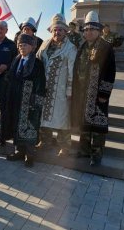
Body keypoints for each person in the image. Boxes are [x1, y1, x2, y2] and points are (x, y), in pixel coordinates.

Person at [71, 11, 116, 166]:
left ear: (98, 30)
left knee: (97, 124)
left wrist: (105, 92)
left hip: (97, 93)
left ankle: (96, 155)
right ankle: (83, 150)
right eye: (86, 30)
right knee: (84, 122)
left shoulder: (106, 47)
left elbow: (110, 72)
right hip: (82, 92)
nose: (88, 32)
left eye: (92, 30)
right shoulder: (83, 46)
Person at [2, 34, 46, 167]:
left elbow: (40, 83)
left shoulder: (37, 63)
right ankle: (19, 151)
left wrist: (36, 103)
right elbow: (11, 76)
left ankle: (29, 155)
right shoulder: (16, 59)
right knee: (16, 125)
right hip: (15, 99)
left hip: (29, 101)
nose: (22, 48)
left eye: (25, 45)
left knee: (29, 126)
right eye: (20, 45)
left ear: (32, 47)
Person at [36, 14, 77, 156]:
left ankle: (64, 147)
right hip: (44, 89)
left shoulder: (70, 48)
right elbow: (37, 61)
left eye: (60, 30)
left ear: (65, 31)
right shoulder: (44, 45)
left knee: (62, 119)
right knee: (44, 116)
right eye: (55, 30)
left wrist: (70, 90)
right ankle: (45, 142)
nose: (57, 32)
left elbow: (72, 71)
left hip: (60, 90)